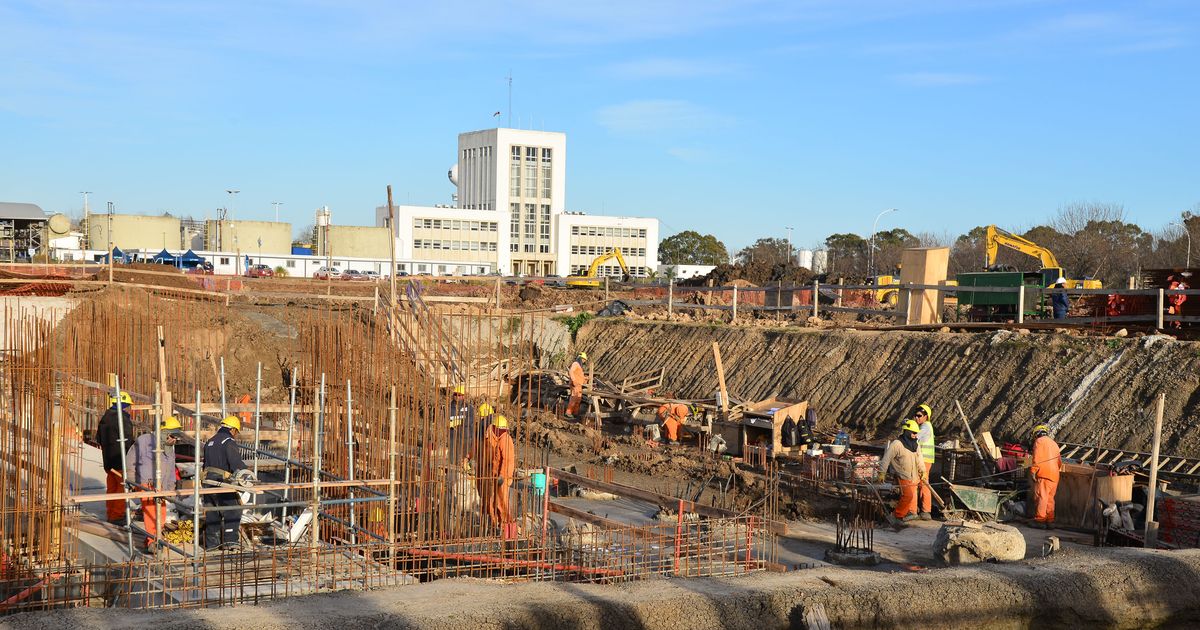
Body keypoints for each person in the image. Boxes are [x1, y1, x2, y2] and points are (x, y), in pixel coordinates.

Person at [127, 416, 183, 551]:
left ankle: (157, 537)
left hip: (160, 486)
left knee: (161, 512)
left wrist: (171, 488)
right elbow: (130, 460)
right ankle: (152, 541)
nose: (174, 440)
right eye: (172, 436)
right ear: (164, 432)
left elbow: (170, 470)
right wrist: (131, 481)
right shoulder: (144, 441)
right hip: (146, 483)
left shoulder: (170, 448)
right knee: (151, 511)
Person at [202, 416, 248, 550]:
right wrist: (246, 473)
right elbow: (236, 464)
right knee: (233, 510)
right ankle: (230, 542)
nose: (236, 435)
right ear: (233, 429)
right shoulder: (229, 441)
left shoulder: (210, 441)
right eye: (236, 432)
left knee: (213, 512)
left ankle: (212, 545)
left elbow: (205, 464)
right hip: (221, 481)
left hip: (207, 481)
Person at [95, 391, 135, 524]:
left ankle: (111, 513)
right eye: (127, 405)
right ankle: (117, 515)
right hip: (120, 460)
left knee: (112, 488)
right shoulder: (122, 418)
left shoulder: (105, 417)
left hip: (108, 460)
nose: (128, 407)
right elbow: (128, 440)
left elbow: (98, 439)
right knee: (121, 488)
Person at [877, 420, 926, 523]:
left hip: (913, 476)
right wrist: (882, 473)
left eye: (916, 433)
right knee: (908, 496)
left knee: (909, 497)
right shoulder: (897, 444)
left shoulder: (915, 445)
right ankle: (896, 516)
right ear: (907, 431)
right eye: (913, 432)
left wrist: (923, 471)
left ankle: (902, 514)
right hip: (902, 475)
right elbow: (886, 459)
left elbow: (920, 459)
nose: (915, 435)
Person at [482, 415, 516, 536]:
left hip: (503, 478)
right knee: (493, 502)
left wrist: (502, 476)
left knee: (502, 503)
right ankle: (496, 525)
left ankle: (507, 529)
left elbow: (507, 461)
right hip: (496, 476)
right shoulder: (498, 438)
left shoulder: (505, 440)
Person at [1029, 424, 1062, 529]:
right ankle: (1050, 521)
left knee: (1041, 497)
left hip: (1044, 473)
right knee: (1050, 499)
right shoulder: (1054, 443)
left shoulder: (1039, 442)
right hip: (1055, 475)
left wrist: (1033, 471)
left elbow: (1037, 458)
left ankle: (1040, 520)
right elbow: (1059, 462)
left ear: (1037, 434)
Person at [913, 404, 936, 520]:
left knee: (921, 483)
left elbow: (916, 437)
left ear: (926, 416)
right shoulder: (924, 426)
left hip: (925, 460)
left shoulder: (925, 427)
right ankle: (923, 510)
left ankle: (924, 511)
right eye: (915, 416)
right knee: (922, 484)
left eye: (919, 416)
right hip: (924, 460)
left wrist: (909, 432)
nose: (917, 418)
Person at [446, 385, 475, 465]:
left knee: (464, 458)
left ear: (463, 396)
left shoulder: (469, 407)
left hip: (465, 436)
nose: (457, 397)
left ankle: (465, 470)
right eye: (455, 394)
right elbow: (445, 420)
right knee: (453, 459)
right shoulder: (449, 407)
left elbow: (471, 420)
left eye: (459, 395)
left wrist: (459, 422)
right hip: (453, 437)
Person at [566, 352, 588, 419]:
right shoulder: (575, 364)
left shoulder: (579, 366)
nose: (584, 361)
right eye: (583, 359)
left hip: (579, 385)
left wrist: (585, 378)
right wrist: (574, 380)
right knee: (574, 398)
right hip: (575, 384)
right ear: (580, 358)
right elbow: (571, 371)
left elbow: (578, 375)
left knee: (578, 399)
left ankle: (575, 413)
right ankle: (568, 413)